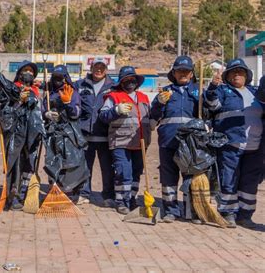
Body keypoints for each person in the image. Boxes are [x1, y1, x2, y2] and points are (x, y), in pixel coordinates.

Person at [204, 58, 264, 228]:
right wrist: (213, 88)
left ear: (247, 76)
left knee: (250, 182)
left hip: (255, 147)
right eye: (233, 72)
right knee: (228, 179)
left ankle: (245, 215)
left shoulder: (255, 92)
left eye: (241, 72)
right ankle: (228, 213)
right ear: (228, 76)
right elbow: (212, 105)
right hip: (230, 144)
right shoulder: (223, 91)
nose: (237, 74)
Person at [150, 56, 200, 223]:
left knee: (189, 178)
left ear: (192, 73)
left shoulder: (198, 92)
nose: (183, 74)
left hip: (190, 144)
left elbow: (207, 115)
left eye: (186, 71)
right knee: (168, 178)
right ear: (174, 73)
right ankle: (171, 210)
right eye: (179, 71)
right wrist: (158, 103)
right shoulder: (165, 91)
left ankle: (189, 212)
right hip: (168, 141)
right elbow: (154, 115)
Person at [99, 66, 151, 215]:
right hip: (120, 141)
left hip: (140, 142)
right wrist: (116, 110)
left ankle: (132, 198)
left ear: (136, 81)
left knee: (136, 173)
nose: (129, 82)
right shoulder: (113, 97)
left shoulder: (144, 97)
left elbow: (150, 115)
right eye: (126, 80)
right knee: (124, 172)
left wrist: (154, 121)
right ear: (121, 82)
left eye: (132, 79)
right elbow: (103, 116)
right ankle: (121, 201)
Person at [0, 61, 44, 210]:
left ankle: (25, 194)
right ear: (19, 73)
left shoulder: (36, 92)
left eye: (31, 71)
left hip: (32, 134)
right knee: (15, 164)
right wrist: (18, 101)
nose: (29, 73)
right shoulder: (11, 89)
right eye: (26, 70)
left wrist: (46, 115)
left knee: (29, 164)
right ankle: (13, 196)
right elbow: (4, 111)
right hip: (16, 133)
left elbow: (39, 112)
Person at [42, 65, 89, 201]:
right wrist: (46, 114)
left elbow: (76, 114)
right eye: (55, 77)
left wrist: (68, 103)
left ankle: (70, 193)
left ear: (65, 77)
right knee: (52, 163)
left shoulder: (71, 91)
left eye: (60, 77)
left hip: (69, 134)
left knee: (70, 163)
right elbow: (42, 110)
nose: (58, 80)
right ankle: (55, 192)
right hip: (51, 133)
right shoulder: (48, 92)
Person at [74, 57, 115, 207]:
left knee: (107, 168)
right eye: (96, 67)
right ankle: (84, 193)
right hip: (85, 134)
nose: (99, 70)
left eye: (102, 67)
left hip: (105, 134)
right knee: (84, 167)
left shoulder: (113, 86)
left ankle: (108, 195)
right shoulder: (80, 85)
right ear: (91, 68)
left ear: (106, 70)